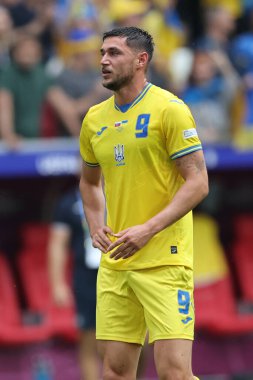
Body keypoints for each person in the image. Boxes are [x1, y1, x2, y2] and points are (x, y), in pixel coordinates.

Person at [79, 26, 209, 380]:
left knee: (174, 374)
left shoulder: (169, 109)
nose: (104, 60)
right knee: (115, 373)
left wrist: (148, 229)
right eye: (102, 53)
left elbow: (198, 182)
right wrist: (95, 224)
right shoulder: (93, 119)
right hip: (117, 265)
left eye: (114, 53)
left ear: (141, 60)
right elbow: (89, 182)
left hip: (165, 262)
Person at [48, 187, 101, 380]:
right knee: (88, 339)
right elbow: (57, 244)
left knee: (139, 339)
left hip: (122, 271)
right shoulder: (68, 203)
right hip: (86, 276)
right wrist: (57, 284)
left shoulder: (122, 195)